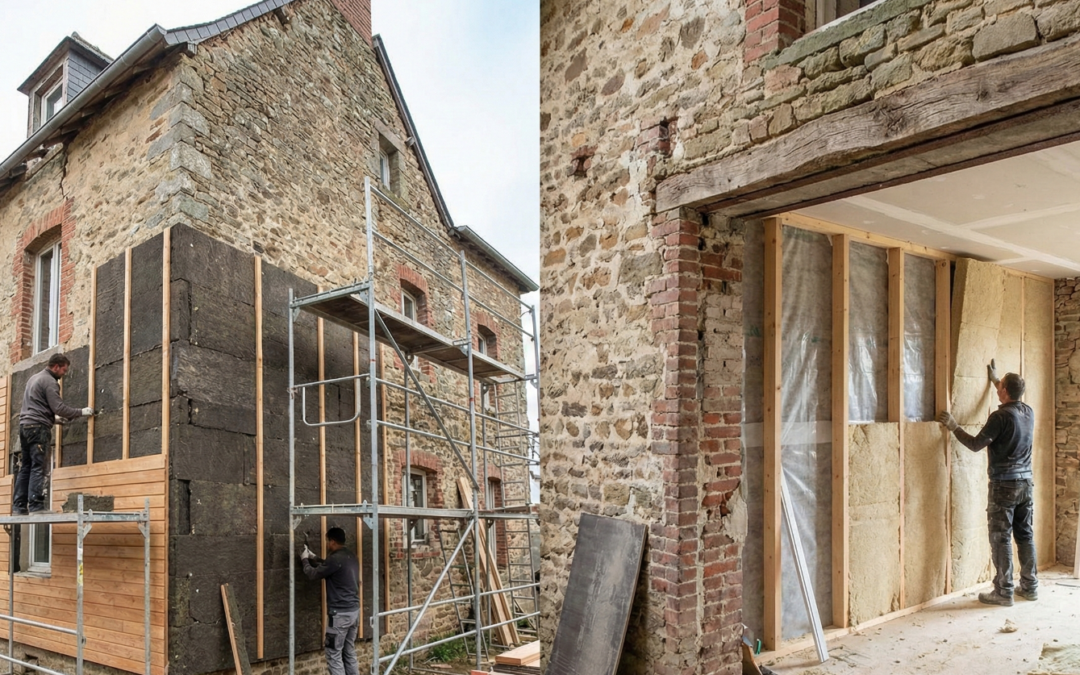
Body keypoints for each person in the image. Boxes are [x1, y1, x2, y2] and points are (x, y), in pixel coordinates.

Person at [938, 359, 1037, 606]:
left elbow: (974, 444)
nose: (997, 387)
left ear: (1005, 391)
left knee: (1001, 537)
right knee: (1025, 535)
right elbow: (1012, 392)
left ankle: (1004, 592)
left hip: (1004, 486)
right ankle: (1030, 586)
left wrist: (954, 426)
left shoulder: (999, 417)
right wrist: (996, 380)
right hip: (1026, 484)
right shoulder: (1028, 411)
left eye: (1000, 385)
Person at [12, 354, 94, 515]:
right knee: (39, 466)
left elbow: (36, 407)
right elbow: (59, 408)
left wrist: (54, 420)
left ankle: (19, 506)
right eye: (64, 370)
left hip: (25, 427)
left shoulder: (34, 378)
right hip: (38, 429)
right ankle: (36, 506)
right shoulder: (50, 382)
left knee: (26, 467)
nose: (64, 373)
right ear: (56, 366)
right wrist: (81, 412)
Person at [301, 527, 361, 675]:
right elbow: (330, 567)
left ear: (333, 541)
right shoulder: (350, 556)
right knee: (348, 651)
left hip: (340, 615)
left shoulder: (335, 559)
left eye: (328, 541)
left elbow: (313, 574)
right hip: (354, 612)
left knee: (333, 653)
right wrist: (314, 557)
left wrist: (304, 560)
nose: (327, 544)